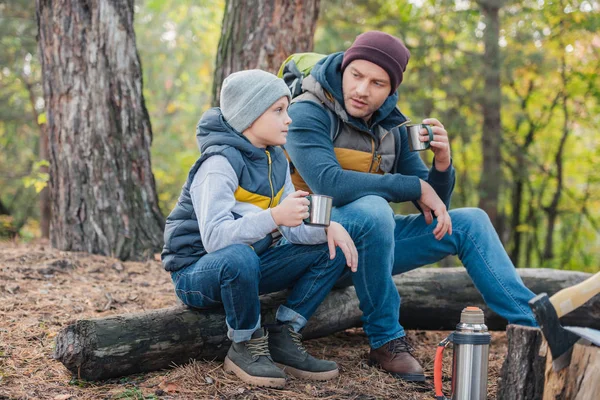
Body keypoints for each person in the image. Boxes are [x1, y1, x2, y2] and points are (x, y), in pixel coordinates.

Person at [284, 31, 538, 382]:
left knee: (471, 221)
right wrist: (410, 184)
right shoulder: (307, 111)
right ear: (343, 68)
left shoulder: (393, 128)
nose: (362, 90)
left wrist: (443, 166)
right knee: (374, 209)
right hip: (308, 243)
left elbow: (434, 211)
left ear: (391, 90)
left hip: (367, 249)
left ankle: (535, 330)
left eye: (377, 83)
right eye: (356, 75)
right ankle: (385, 338)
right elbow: (329, 184)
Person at [161, 70, 359, 388]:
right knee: (239, 256)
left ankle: (285, 333)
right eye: (278, 110)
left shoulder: (276, 159)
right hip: (197, 274)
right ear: (249, 116)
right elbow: (214, 240)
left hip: (250, 264)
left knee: (330, 248)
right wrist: (275, 217)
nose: (288, 120)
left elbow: (291, 230)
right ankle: (245, 343)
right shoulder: (218, 163)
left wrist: (327, 229)